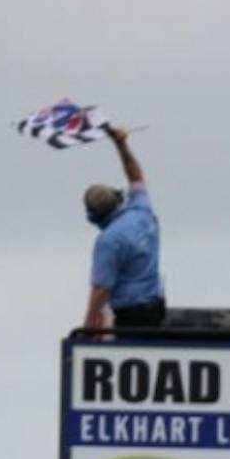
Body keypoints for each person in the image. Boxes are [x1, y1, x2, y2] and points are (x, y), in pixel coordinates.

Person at [82, 128, 165, 332]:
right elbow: (135, 175)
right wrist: (121, 144)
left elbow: (101, 288)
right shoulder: (141, 210)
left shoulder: (108, 241)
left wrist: (87, 325)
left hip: (129, 316)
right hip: (156, 308)